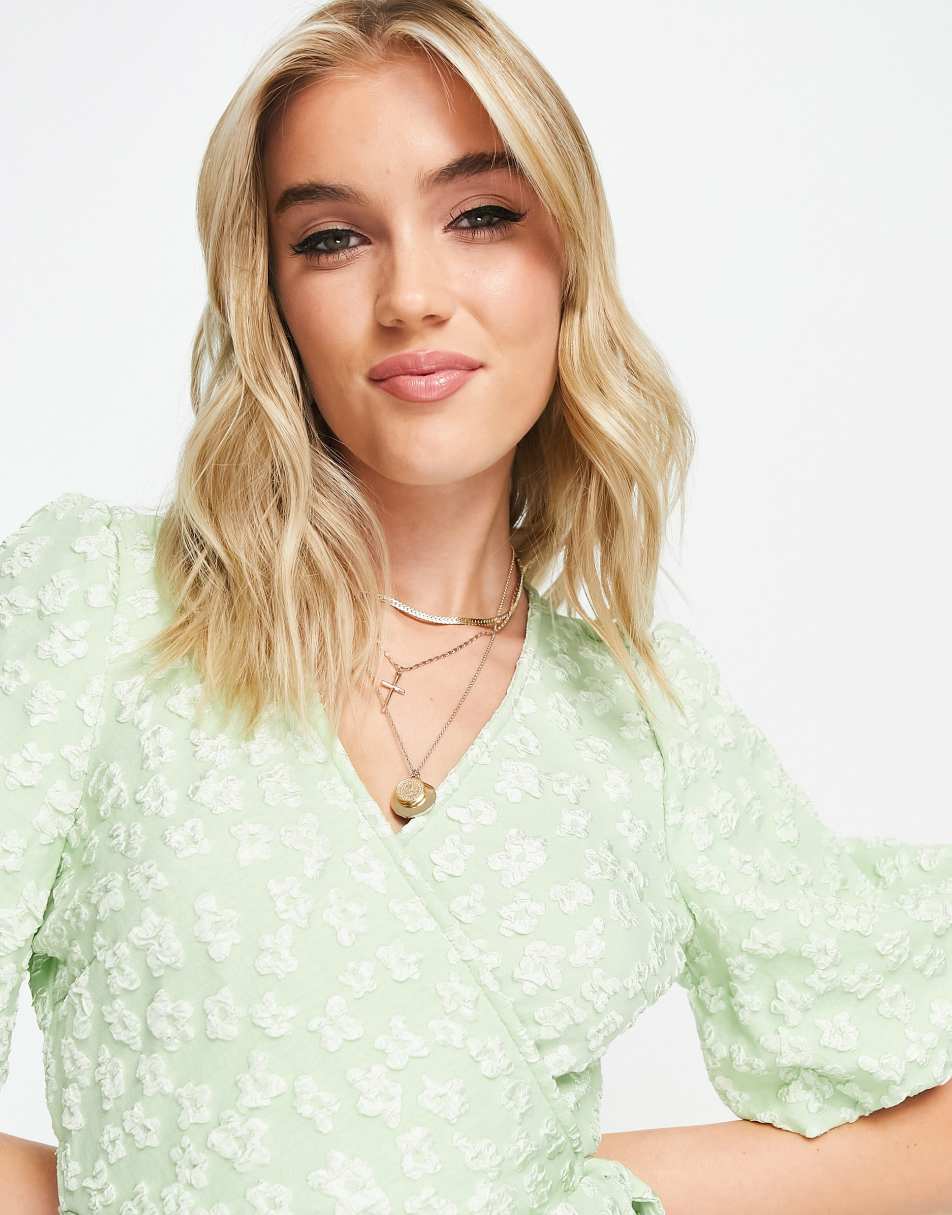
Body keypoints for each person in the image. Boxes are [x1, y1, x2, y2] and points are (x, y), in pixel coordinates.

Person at [2, 2, 950, 1212]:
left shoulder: (642, 727)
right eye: (333, 238)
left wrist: (586, 1194)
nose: (411, 295)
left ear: (567, 262)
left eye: (481, 215)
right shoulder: (99, 604)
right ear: (270, 297)